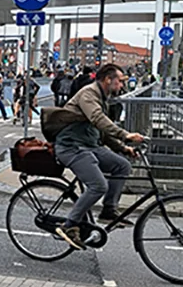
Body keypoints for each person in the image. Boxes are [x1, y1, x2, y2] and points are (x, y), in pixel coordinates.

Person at [53, 64, 146, 250]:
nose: (122, 85)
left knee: (123, 166)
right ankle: (69, 225)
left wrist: (123, 148)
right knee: (98, 185)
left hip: (89, 146)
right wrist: (125, 135)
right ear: (108, 80)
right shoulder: (89, 94)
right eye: (119, 81)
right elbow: (97, 119)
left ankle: (108, 210)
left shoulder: (103, 98)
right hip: (71, 147)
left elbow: (101, 133)